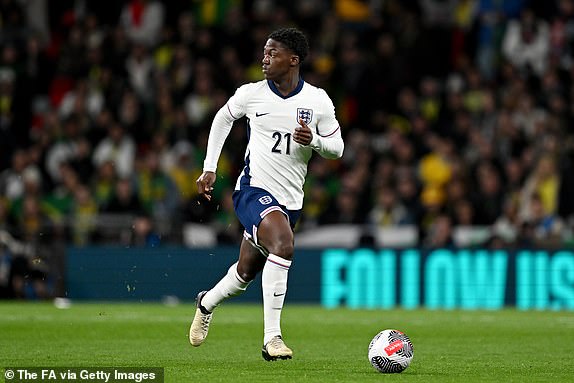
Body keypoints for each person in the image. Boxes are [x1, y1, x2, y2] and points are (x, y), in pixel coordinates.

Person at [189, 28, 344, 361]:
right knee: (284, 244)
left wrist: (314, 141)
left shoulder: (317, 101)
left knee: (245, 273)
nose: (264, 58)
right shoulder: (251, 94)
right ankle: (272, 338)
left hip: (291, 201)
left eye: (272, 53)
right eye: (264, 52)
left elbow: (338, 148)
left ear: (293, 59)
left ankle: (206, 302)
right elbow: (222, 118)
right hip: (252, 190)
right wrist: (210, 167)